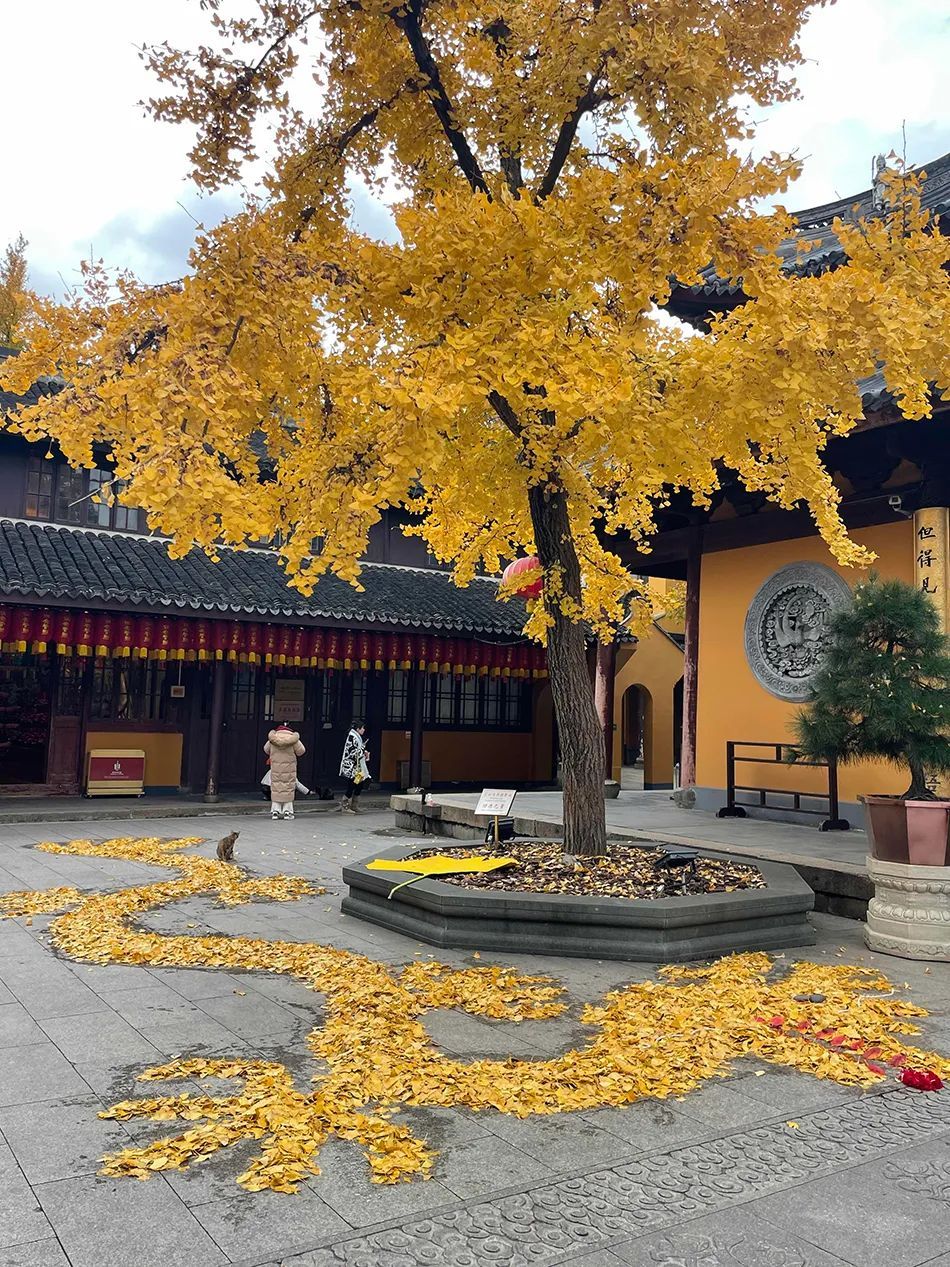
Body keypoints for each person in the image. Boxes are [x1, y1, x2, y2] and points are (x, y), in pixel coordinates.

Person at [263, 723, 306, 821]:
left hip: (276, 768)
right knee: (288, 788)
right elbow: (301, 751)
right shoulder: (293, 739)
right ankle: (288, 812)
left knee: (276, 788)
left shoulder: (272, 739)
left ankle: (275, 811)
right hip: (289, 768)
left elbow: (266, 749)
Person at [339, 721, 370, 814]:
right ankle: (345, 805)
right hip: (352, 767)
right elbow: (353, 752)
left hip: (357, 767)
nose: (364, 730)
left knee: (359, 785)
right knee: (352, 784)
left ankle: (354, 805)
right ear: (358, 729)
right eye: (362, 728)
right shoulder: (352, 737)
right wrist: (363, 748)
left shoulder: (356, 737)